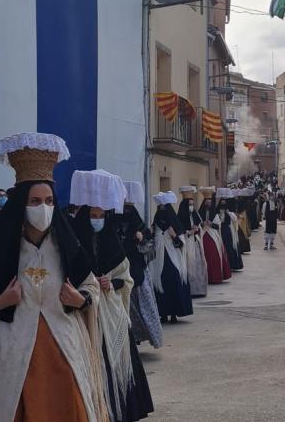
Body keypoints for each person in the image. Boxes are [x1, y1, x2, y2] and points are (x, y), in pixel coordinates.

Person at [0, 133, 107, 422]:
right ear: (20, 204)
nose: (44, 208)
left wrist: (81, 299)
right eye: (36, 201)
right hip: (9, 351)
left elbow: (90, 286)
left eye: (50, 201)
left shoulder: (67, 246)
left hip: (64, 347)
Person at [70, 170, 154, 421]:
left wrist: (111, 282)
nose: (97, 219)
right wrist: (87, 284)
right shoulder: (74, 243)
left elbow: (126, 278)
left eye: (101, 215)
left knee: (118, 363)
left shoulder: (111, 242)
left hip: (111, 312)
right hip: (83, 314)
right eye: (93, 215)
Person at [119, 183, 164, 350]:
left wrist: (140, 237)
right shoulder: (114, 216)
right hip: (120, 269)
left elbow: (146, 236)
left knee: (140, 305)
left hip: (135, 268)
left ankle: (137, 336)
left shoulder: (132, 215)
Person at [150, 192, 193, 324]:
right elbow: (151, 240)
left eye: (164, 208)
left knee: (173, 281)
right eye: (160, 209)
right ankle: (163, 314)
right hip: (158, 261)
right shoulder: (155, 225)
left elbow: (181, 244)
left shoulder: (175, 224)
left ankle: (174, 313)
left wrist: (174, 235)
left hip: (172, 260)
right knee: (160, 284)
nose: (162, 212)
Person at [178, 186, 209, 298]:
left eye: (192, 204)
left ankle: (198, 289)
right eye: (190, 204)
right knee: (189, 265)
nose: (191, 206)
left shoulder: (194, 214)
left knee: (198, 265)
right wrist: (189, 232)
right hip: (187, 244)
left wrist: (198, 228)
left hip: (196, 243)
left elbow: (199, 224)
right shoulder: (181, 216)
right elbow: (179, 230)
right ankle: (189, 290)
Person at [198, 187, 231, 284]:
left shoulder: (215, 214)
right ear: (204, 202)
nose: (208, 203)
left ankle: (215, 277)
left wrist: (211, 224)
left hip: (213, 235)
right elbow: (197, 223)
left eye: (210, 201)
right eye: (207, 202)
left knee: (214, 255)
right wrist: (203, 224)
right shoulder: (200, 213)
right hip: (203, 235)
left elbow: (218, 225)